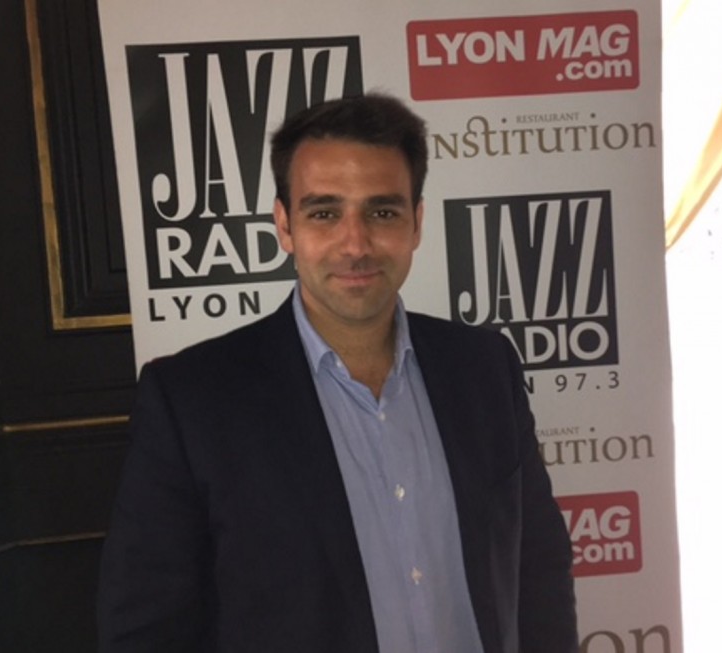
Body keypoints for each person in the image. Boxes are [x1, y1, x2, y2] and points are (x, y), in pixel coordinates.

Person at [98, 93, 578, 652]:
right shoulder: (192, 401)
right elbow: (145, 631)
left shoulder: (484, 368)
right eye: (324, 213)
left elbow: (538, 570)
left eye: (382, 212)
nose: (356, 244)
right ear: (284, 225)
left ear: (417, 223)